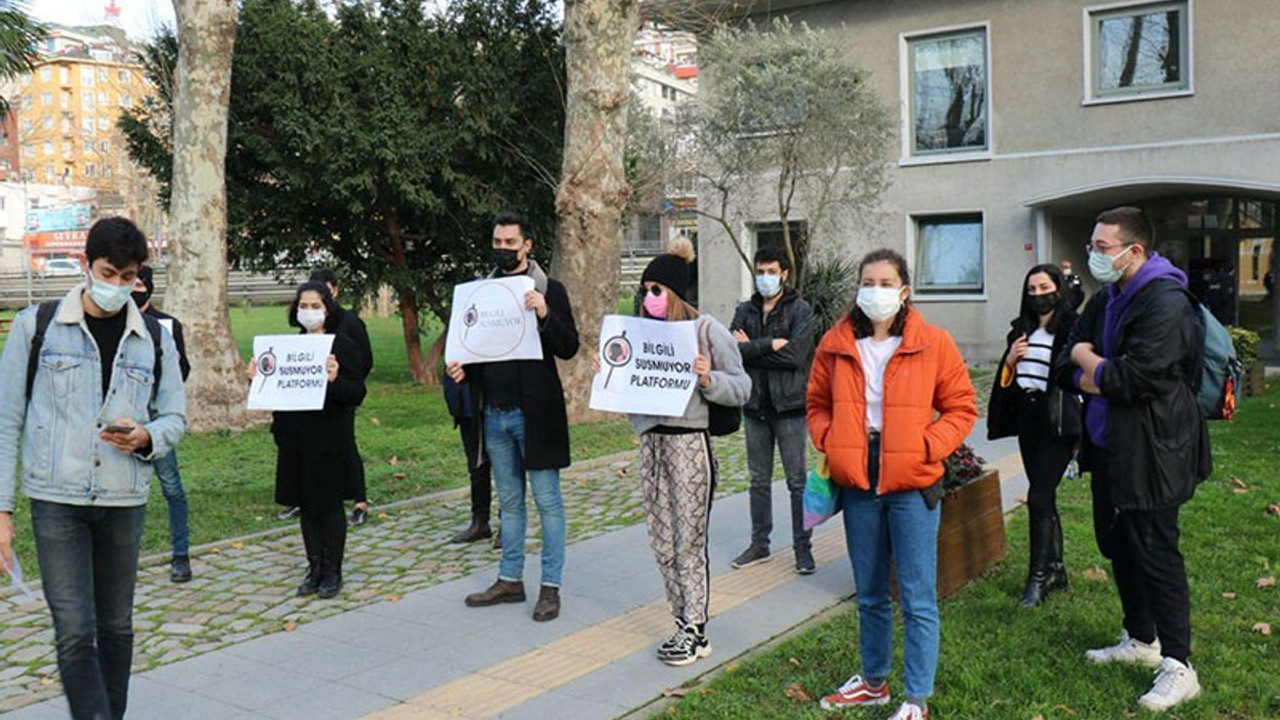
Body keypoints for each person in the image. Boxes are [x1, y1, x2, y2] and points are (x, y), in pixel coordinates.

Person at [0, 217, 187, 720]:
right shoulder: (35, 326)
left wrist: (147, 435)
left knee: (116, 627)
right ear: (88, 265)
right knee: (76, 630)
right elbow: (5, 421)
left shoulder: (153, 336)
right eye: (110, 273)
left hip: (122, 497)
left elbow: (175, 416)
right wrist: (2, 509)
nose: (119, 287)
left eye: (130, 277)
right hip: (56, 499)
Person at [808, 248, 977, 720]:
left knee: (919, 595)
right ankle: (875, 681)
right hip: (858, 478)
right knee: (869, 591)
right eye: (868, 282)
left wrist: (927, 446)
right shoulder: (836, 343)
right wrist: (831, 439)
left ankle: (915, 698)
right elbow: (816, 402)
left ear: (904, 291)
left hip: (912, 481)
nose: (875, 291)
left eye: (886, 283)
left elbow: (962, 406)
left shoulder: (932, 342)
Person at [1054, 206, 1210, 712]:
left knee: (1156, 550)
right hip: (1110, 444)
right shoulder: (1110, 297)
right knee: (1118, 543)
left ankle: (1179, 665)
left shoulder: (1165, 302)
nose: (1092, 256)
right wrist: (1089, 364)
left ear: (1134, 251)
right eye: (1093, 246)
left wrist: (1090, 363)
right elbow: (1065, 352)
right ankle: (1141, 639)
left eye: (1101, 248)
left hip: (1155, 450)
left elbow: (1133, 380)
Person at [594, 237, 750, 666]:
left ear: (675, 293)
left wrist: (708, 379)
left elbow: (742, 387)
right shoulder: (639, 334)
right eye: (644, 291)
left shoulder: (705, 330)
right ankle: (679, 620)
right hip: (653, 446)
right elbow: (634, 394)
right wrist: (609, 375)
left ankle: (696, 629)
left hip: (688, 446)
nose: (648, 298)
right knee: (661, 541)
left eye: (656, 290)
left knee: (688, 542)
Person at [447, 212, 579, 622]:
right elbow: (473, 347)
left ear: (527, 246)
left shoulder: (548, 289)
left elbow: (569, 346)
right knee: (510, 503)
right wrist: (461, 370)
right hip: (494, 416)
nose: (502, 249)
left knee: (547, 502)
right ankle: (510, 579)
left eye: (510, 242)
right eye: (497, 242)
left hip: (535, 414)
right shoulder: (481, 293)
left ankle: (551, 587)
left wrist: (544, 314)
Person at [249, 281, 367, 600]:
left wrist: (334, 380)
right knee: (306, 506)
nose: (309, 312)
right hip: (295, 438)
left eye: (316, 306)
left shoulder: (342, 345)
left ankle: (333, 569)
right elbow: (276, 390)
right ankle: (313, 567)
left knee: (328, 505)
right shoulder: (288, 347)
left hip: (329, 437)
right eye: (304, 306)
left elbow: (356, 392)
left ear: (328, 309)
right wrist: (258, 378)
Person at [986, 263, 1081, 606]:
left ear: (1059, 288)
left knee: (1038, 497)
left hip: (1056, 420)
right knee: (1046, 499)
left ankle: (1037, 579)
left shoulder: (1072, 328)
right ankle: (1056, 568)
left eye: (1045, 287)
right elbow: (1007, 379)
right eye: (1032, 290)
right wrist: (1010, 360)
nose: (1039, 295)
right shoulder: (1020, 330)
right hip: (1027, 420)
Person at [728, 246, 816, 574]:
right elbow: (730, 352)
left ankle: (803, 549)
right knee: (758, 480)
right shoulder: (745, 309)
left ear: (784, 274)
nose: (765, 278)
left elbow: (795, 357)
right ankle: (759, 544)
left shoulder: (801, 311)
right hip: (755, 407)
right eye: (760, 271)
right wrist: (768, 345)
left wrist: (749, 347)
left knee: (797, 482)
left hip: (790, 407)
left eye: (770, 272)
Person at [131, 265, 195, 583]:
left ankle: (180, 555)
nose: (134, 288)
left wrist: (169, 371)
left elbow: (182, 371)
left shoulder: (167, 326)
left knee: (172, 487)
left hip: (155, 418)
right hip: (123, 418)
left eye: (139, 283)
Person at [305, 268, 374, 528]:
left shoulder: (350, 322)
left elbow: (365, 359)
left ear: (334, 290)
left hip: (342, 394)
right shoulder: (307, 329)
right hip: (312, 400)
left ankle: (360, 500)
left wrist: (345, 382)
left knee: (347, 444)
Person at [444, 374, 494, 544]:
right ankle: (480, 521)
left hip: (494, 398)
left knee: (505, 467)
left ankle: (509, 523)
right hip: (466, 400)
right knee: (476, 465)